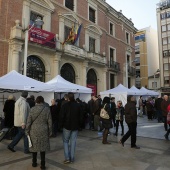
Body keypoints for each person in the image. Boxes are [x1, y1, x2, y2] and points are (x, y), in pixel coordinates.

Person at [26, 96, 52, 170]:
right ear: (43, 101)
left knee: (34, 147)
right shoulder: (47, 109)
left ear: (36, 101)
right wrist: (50, 132)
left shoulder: (32, 109)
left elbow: (28, 122)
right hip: (44, 130)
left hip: (34, 130)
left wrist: (27, 130)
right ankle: (43, 165)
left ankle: (34, 163)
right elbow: (50, 122)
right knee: (42, 147)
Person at [59, 92, 83, 164]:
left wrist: (60, 125)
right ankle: (72, 158)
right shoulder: (78, 105)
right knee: (73, 142)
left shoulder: (65, 106)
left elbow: (61, 116)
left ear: (68, 98)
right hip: (75, 126)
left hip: (66, 126)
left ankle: (67, 158)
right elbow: (81, 117)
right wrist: (80, 125)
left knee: (66, 142)